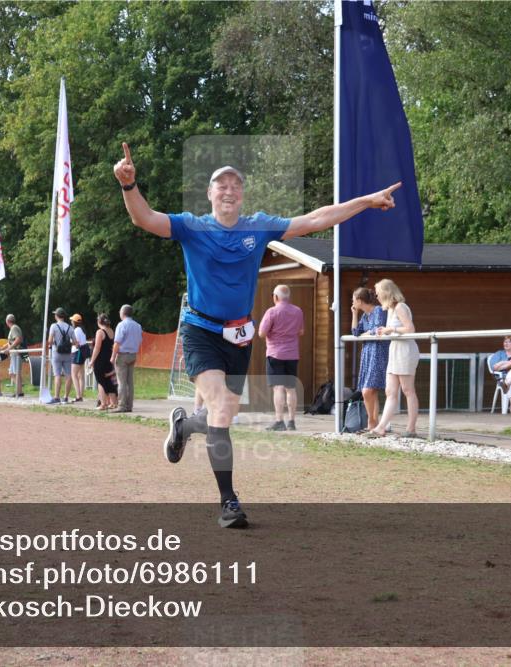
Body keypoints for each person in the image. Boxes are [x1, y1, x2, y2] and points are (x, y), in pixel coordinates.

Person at [114, 142, 401, 528]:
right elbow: (145, 218)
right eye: (221, 185)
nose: (229, 190)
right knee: (219, 408)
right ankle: (228, 501)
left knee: (224, 415)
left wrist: (366, 200)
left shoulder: (258, 226)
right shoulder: (192, 226)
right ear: (210, 194)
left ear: (242, 194)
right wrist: (129, 187)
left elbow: (315, 220)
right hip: (199, 329)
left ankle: (184, 426)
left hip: (239, 335)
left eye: (235, 185)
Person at [369, 279, 420, 438]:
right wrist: (385, 331)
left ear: (385, 293)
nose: (376, 296)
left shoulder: (400, 307)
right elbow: (396, 330)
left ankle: (411, 429)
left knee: (408, 390)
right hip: (395, 350)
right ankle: (381, 427)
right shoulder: (390, 310)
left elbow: (410, 329)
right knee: (390, 391)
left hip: (405, 350)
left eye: (378, 293)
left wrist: (390, 329)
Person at [258, 284, 304, 431]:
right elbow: (301, 331)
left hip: (275, 354)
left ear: (275, 297)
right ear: (288, 296)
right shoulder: (298, 311)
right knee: (291, 388)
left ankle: (279, 421)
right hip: (292, 354)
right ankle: (292, 422)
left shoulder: (271, 312)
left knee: (278, 388)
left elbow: (261, 333)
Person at [350, 287, 390, 432]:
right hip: (368, 352)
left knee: (367, 390)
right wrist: (354, 314)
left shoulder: (378, 310)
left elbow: (378, 329)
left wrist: (368, 332)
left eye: (353, 299)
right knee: (371, 391)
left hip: (378, 352)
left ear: (360, 301)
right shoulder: (364, 316)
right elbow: (355, 332)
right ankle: (375, 425)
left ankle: (371, 423)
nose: (352, 302)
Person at [111, 304, 143, 413]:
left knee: (121, 382)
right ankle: (129, 406)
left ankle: (121, 405)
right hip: (133, 355)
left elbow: (117, 343)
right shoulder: (138, 326)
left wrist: (113, 356)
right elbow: (140, 341)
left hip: (122, 355)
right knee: (130, 382)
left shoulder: (121, 325)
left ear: (123, 313)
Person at [90, 313, 119, 410]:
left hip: (100, 360)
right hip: (108, 359)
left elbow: (97, 348)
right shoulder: (111, 331)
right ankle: (114, 403)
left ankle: (103, 404)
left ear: (99, 322)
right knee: (108, 381)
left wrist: (91, 361)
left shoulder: (100, 332)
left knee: (101, 382)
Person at [47, 308, 74, 404]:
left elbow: (49, 341)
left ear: (56, 316)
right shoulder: (70, 327)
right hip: (67, 354)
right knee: (68, 375)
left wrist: (54, 342)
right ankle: (66, 397)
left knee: (57, 375)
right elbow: (74, 342)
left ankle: (56, 397)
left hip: (56, 353)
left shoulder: (53, 326)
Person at [70, 313, 89, 402]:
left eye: (72, 321)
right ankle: (80, 395)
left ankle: (78, 396)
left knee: (74, 374)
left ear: (75, 322)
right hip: (82, 353)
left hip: (77, 353)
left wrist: (69, 342)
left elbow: (76, 343)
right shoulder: (82, 329)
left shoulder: (77, 330)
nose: (71, 322)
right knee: (81, 375)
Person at [6, 314, 25, 398]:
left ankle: (19, 391)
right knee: (13, 372)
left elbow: (18, 339)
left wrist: (9, 348)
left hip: (16, 353)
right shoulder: (14, 328)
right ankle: (19, 391)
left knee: (15, 373)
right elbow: (11, 341)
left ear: (7, 321)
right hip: (14, 353)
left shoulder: (14, 328)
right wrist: (3, 348)